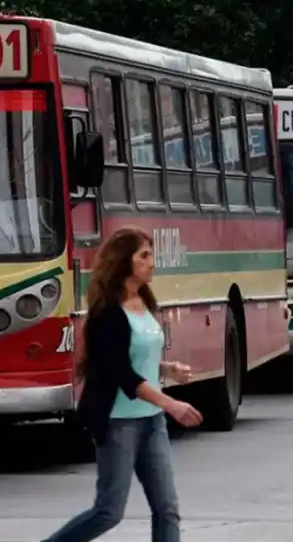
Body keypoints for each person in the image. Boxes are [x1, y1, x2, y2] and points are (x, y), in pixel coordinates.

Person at [42, 226, 203, 542]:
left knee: (167, 509)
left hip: (151, 422)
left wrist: (167, 368)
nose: (152, 263)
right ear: (123, 261)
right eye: (144, 256)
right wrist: (171, 404)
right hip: (119, 423)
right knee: (108, 512)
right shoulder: (108, 314)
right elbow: (119, 372)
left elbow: (134, 359)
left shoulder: (144, 302)